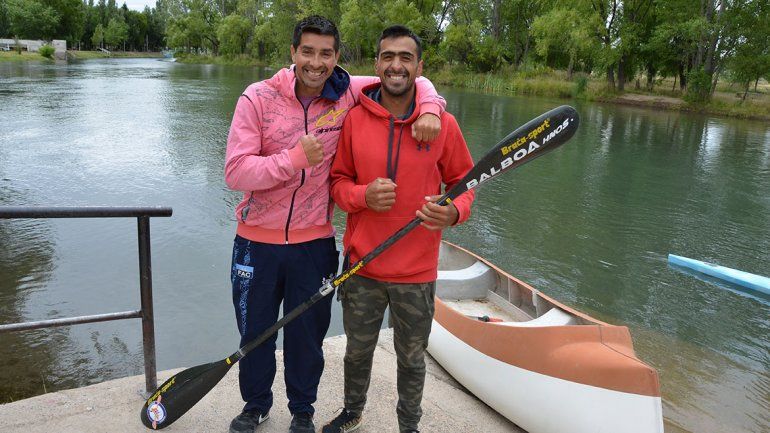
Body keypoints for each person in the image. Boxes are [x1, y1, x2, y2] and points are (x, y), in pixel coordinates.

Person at [224, 16, 447, 433]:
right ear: (292, 53)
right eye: (307, 51)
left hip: (314, 244)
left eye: (326, 53)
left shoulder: (348, 92)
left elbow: (408, 77)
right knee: (255, 334)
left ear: (337, 57)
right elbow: (235, 172)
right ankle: (255, 405)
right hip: (255, 242)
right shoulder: (257, 98)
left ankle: (302, 410)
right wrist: (292, 159)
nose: (316, 62)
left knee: (306, 338)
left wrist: (432, 106)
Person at [322, 25, 475, 433]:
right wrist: (362, 197)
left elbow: (466, 184)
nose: (396, 65)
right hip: (362, 269)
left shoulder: (443, 123)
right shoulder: (354, 121)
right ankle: (352, 412)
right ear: (377, 64)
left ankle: (410, 424)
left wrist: (453, 213)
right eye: (388, 56)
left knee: (412, 359)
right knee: (357, 353)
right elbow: (337, 184)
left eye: (405, 58)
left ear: (419, 67)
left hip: (416, 274)